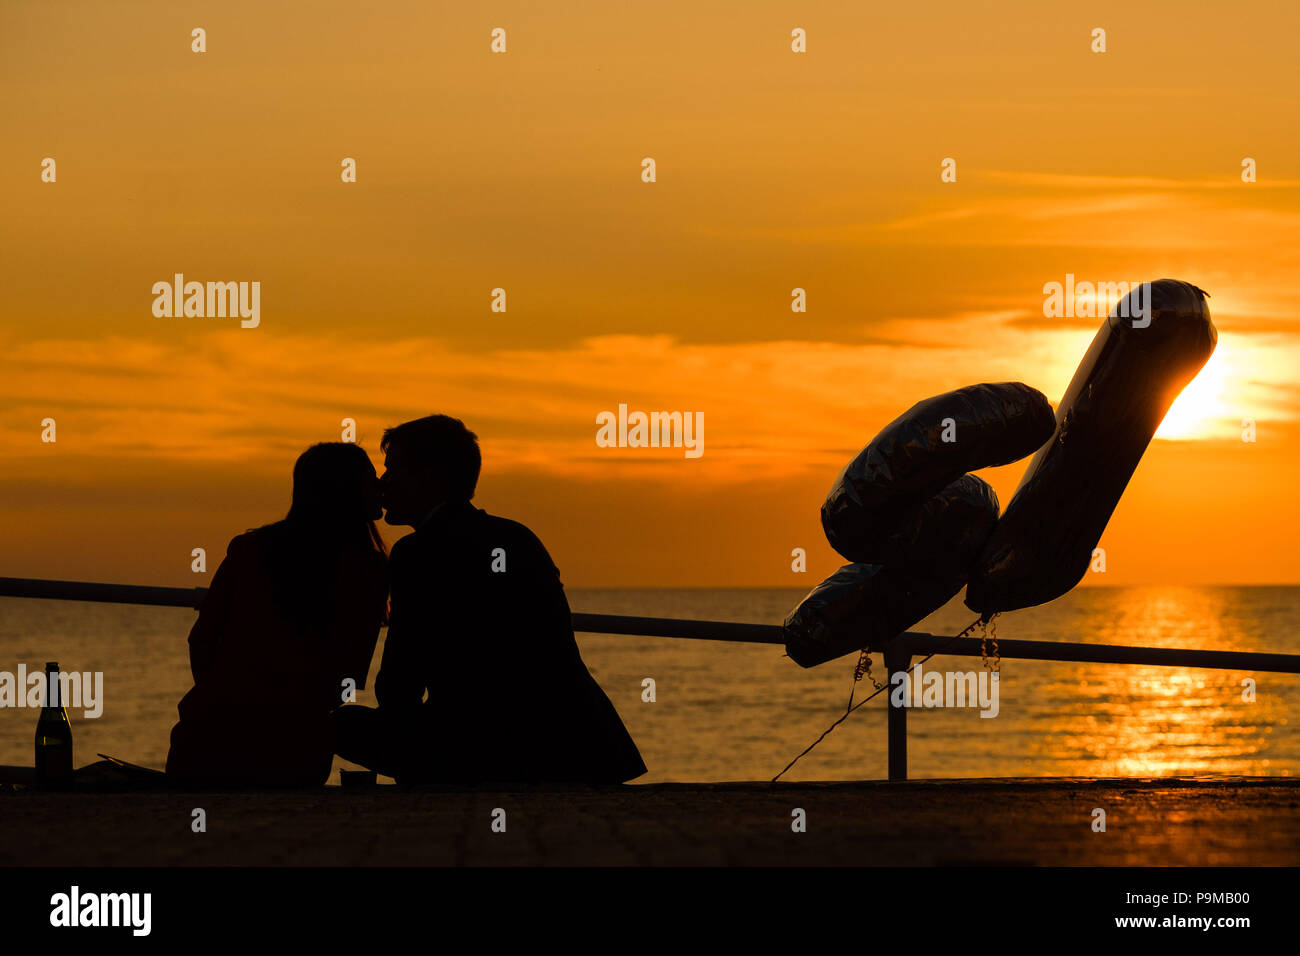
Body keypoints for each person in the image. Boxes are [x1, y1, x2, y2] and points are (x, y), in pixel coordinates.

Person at [333, 414, 646, 785]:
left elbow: (400, 682)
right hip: (582, 743)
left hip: (488, 749)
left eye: (392, 470)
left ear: (426, 477)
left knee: (340, 724)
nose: (383, 484)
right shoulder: (517, 536)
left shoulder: (417, 552)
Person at [166, 443, 389, 788]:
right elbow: (345, 678)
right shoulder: (368, 571)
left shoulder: (249, 549)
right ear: (349, 491)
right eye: (372, 479)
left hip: (204, 739)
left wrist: (226, 697)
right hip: (292, 753)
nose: (382, 486)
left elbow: (202, 640)